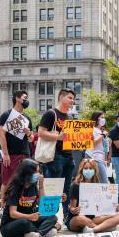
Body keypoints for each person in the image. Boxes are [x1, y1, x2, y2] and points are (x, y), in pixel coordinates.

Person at [38, 88, 76, 219]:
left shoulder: (70, 117)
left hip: (69, 156)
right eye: (70, 98)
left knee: (66, 190)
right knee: (52, 189)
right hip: (54, 156)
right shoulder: (51, 113)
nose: (72, 101)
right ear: (61, 97)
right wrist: (58, 137)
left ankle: (67, 218)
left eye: (73, 98)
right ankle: (48, 219)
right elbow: (41, 133)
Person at [0, 158, 60, 237]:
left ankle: (39, 233)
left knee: (52, 217)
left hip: (29, 218)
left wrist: (41, 186)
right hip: (11, 223)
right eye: (36, 172)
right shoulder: (15, 188)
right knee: (24, 223)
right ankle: (41, 231)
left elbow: (43, 205)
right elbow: (12, 213)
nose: (38, 174)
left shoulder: (33, 186)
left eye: (39, 171)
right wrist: (29, 216)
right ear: (27, 173)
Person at [0, 90, 33, 216]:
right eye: (25, 97)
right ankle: (3, 207)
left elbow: (31, 139)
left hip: (25, 154)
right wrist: (6, 154)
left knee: (25, 181)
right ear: (17, 98)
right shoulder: (6, 115)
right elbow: (1, 135)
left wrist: (29, 133)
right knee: (7, 181)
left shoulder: (27, 119)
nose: (26, 99)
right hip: (11, 154)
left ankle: (20, 207)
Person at [66, 158, 119, 233]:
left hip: (92, 219)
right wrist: (74, 210)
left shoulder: (97, 186)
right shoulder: (76, 185)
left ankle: (93, 229)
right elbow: (72, 207)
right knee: (82, 219)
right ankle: (103, 228)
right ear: (81, 170)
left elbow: (103, 207)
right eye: (86, 168)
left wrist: (113, 207)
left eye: (90, 168)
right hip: (76, 219)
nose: (88, 170)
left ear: (95, 170)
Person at [85, 111, 109, 184]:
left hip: (100, 158)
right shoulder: (91, 129)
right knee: (104, 182)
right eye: (101, 117)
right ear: (96, 119)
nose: (103, 119)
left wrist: (106, 158)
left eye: (104, 117)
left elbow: (104, 147)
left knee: (98, 182)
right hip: (94, 157)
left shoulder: (100, 130)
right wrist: (102, 136)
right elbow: (92, 144)